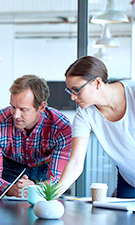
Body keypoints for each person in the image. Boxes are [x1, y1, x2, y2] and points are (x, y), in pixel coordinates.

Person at [57, 56, 135, 198]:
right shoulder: (84, 113)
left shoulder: (133, 93)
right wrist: (52, 195)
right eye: (70, 91)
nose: (73, 98)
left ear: (97, 83)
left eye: (76, 90)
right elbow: (75, 162)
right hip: (129, 179)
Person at [0, 75, 72, 197]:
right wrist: (12, 190)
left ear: (41, 107)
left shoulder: (61, 127)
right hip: (11, 170)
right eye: (13, 107)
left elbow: (57, 179)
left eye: (23, 109)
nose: (16, 115)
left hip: (45, 171)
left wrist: (35, 189)